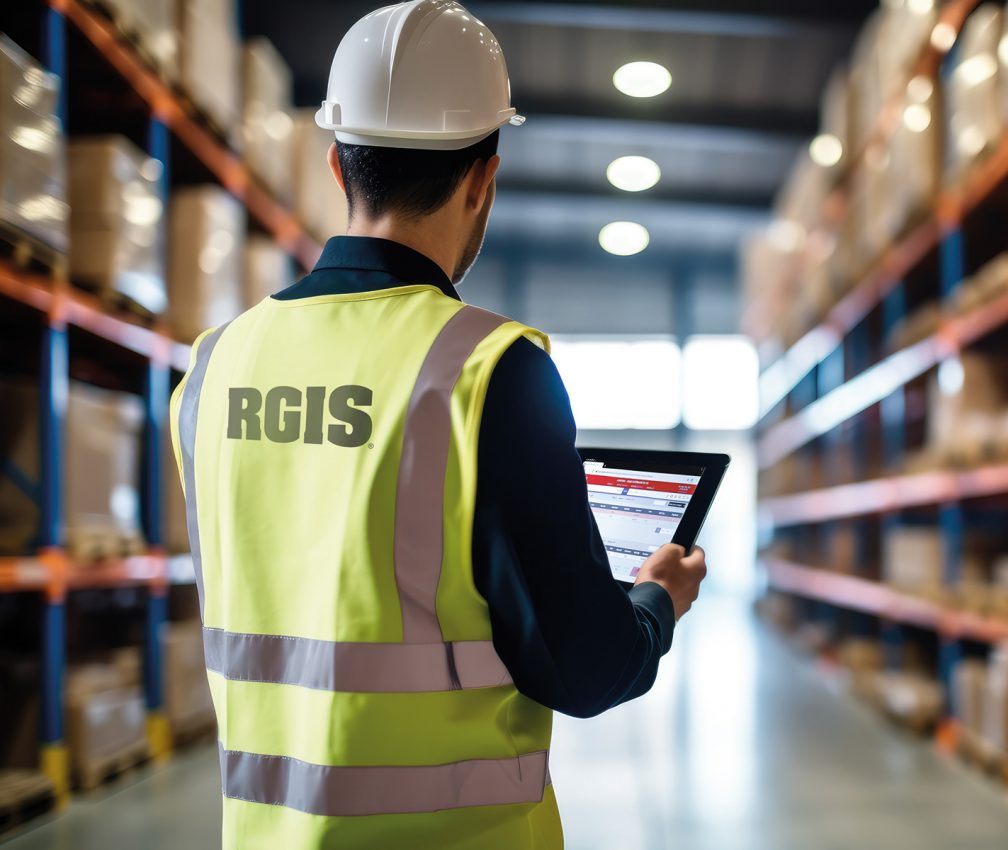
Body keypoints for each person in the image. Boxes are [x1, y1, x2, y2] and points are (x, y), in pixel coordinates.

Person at [169, 2, 707, 848]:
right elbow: (584, 665)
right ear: (482, 177)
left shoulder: (213, 367)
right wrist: (655, 603)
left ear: (337, 167)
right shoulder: (490, 371)